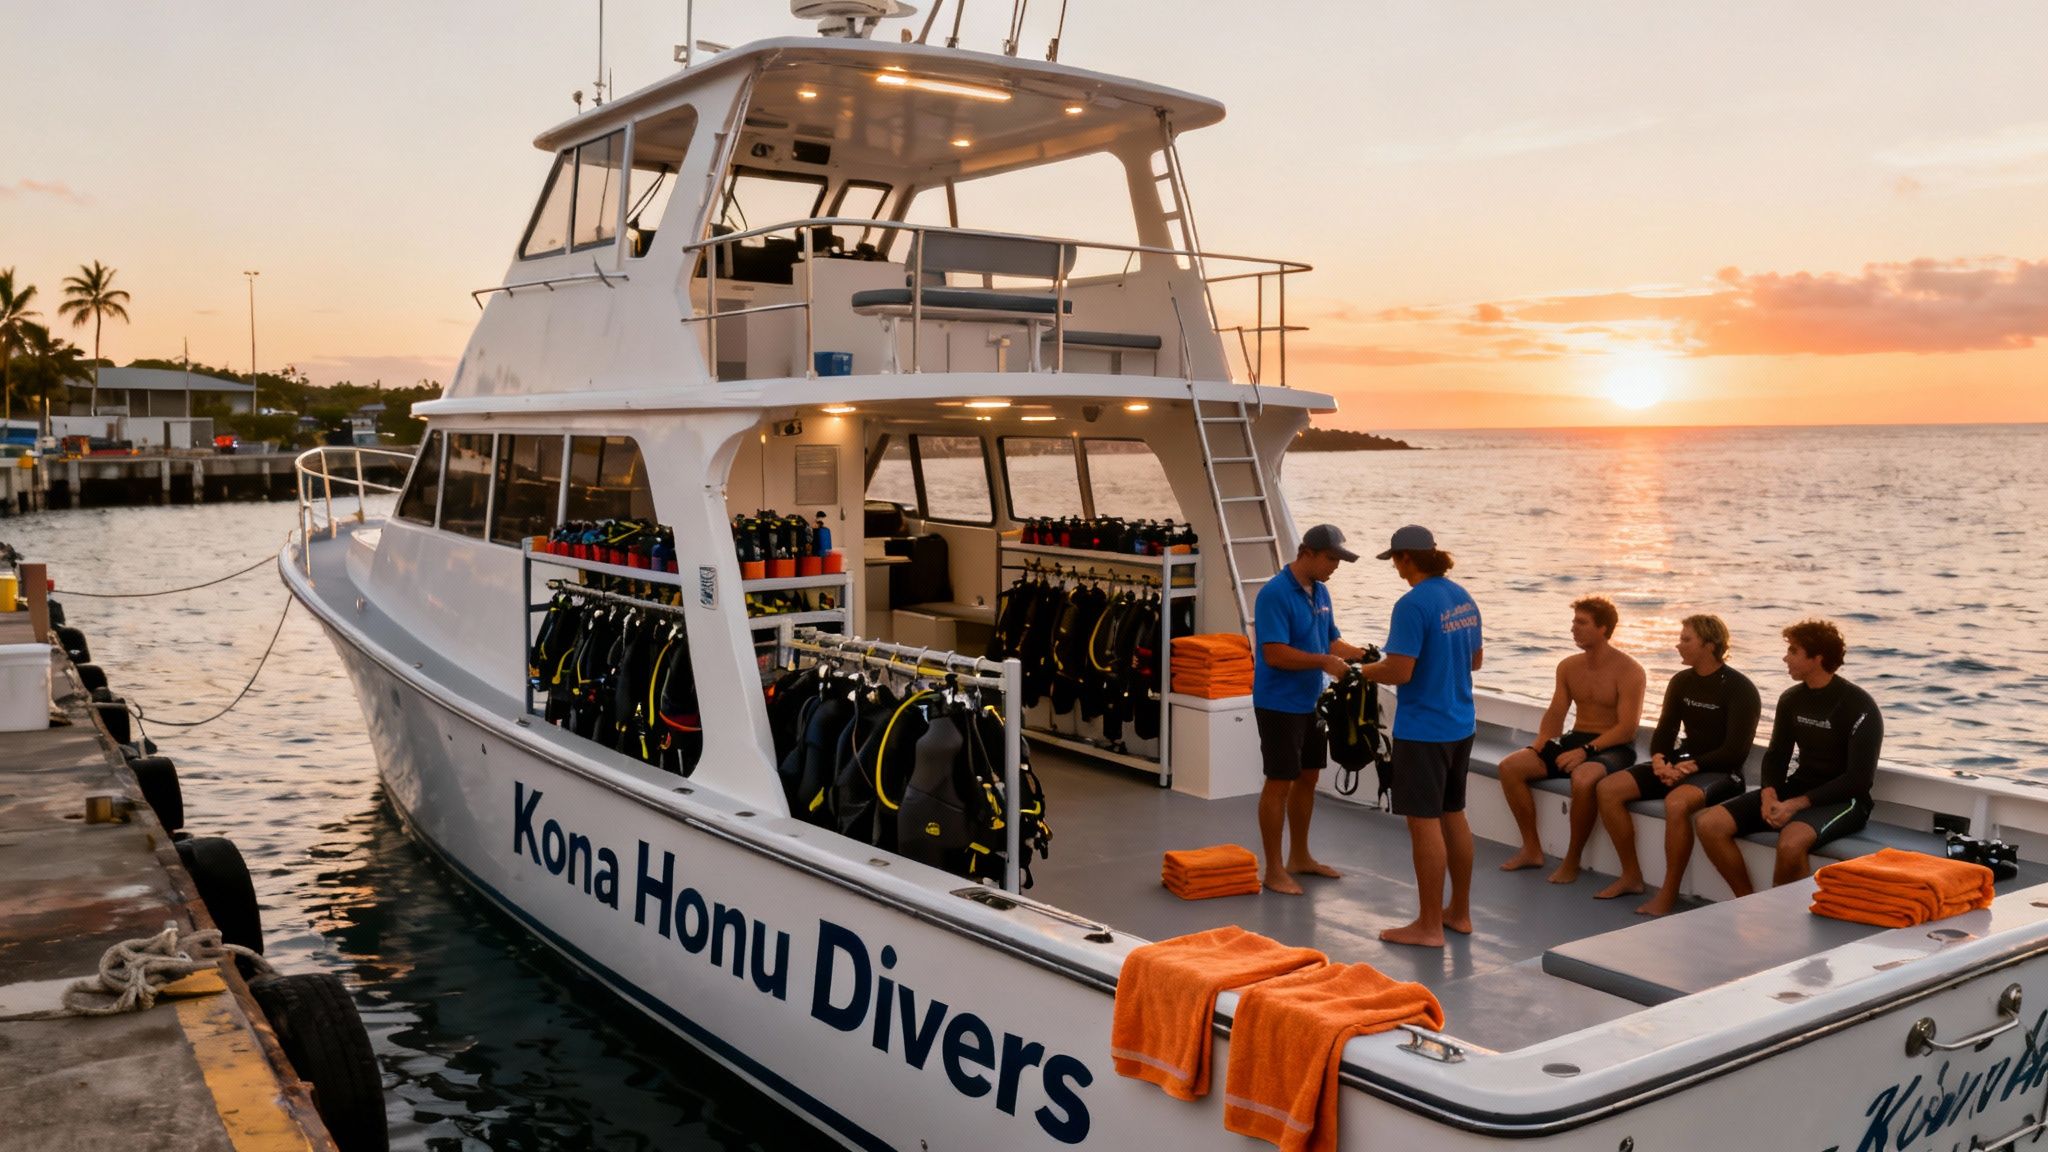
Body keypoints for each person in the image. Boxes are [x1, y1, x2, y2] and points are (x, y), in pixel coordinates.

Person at [1356, 525, 1484, 948]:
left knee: (1423, 823)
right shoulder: (1461, 597)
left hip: (1424, 730)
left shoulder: (1411, 604)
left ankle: (1429, 926)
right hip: (1461, 724)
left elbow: (1400, 670)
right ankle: (1459, 913)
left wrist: (1359, 672)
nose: (1395, 567)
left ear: (1406, 558)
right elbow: (1476, 660)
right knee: (1453, 814)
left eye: (1394, 559)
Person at [1696, 619, 1882, 895]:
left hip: (1846, 801)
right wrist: (1769, 795)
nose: (1785, 658)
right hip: (1799, 788)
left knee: (1791, 843)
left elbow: (1858, 779)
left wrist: (1795, 804)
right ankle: (1749, 902)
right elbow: (1776, 755)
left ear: (1818, 658)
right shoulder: (1791, 699)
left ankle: (1782, 916)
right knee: (1709, 824)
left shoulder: (1859, 706)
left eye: (1793, 651)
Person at [1591, 615, 1762, 912]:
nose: (1678, 645)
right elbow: (1665, 730)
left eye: (1686, 640)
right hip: (1683, 763)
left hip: (1723, 772)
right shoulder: (1682, 681)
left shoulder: (1740, 688)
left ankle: (1668, 893)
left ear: (1709, 645)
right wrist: (1659, 759)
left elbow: (1735, 751)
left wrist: (1690, 767)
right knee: (1608, 789)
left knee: (1677, 803)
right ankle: (1631, 876)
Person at [1251, 523, 1372, 895]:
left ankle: (1300, 856)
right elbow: (1274, 653)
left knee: (1308, 778)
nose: (1335, 566)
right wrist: (1323, 662)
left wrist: (1361, 655)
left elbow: (1331, 641)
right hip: (1278, 703)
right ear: (1307, 553)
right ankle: (1273, 869)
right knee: (1279, 781)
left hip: (1312, 703)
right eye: (1331, 558)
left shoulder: (1321, 591)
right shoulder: (1274, 594)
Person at [1496, 596, 1647, 884]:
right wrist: (1541, 742)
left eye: (1582, 622)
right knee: (1510, 767)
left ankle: (1572, 859)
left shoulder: (1630, 670)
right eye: (1573, 621)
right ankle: (1531, 849)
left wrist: (1586, 751)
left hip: (1614, 746)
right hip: (1576, 738)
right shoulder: (1568, 666)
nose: (1573, 628)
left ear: (1603, 629)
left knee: (1583, 777)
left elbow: (1627, 728)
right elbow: (1556, 712)